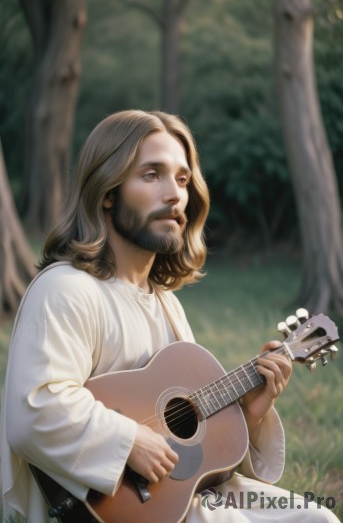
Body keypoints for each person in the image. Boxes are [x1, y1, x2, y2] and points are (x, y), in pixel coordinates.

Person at [0, 110, 339, 523]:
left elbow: (194, 453)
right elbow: (33, 410)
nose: (175, 195)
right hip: (102, 510)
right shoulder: (66, 289)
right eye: (151, 175)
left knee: (317, 519)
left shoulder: (164, 301)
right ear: (108, 191)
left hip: (176, 498)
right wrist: (129, 442)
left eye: (182, 179)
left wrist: (250, 413)